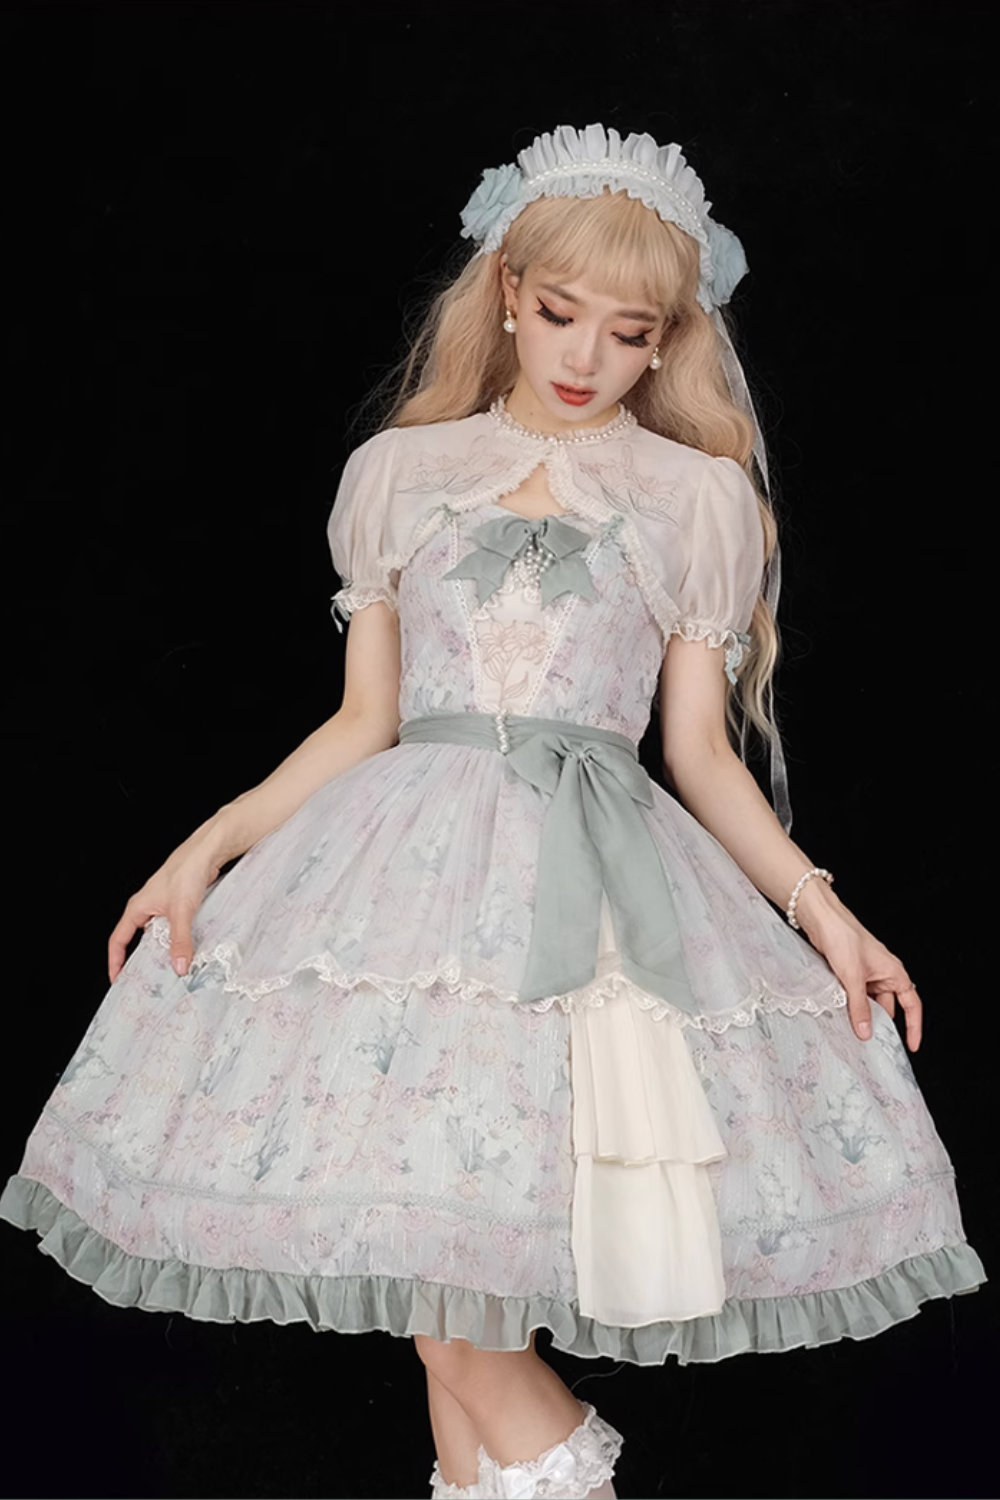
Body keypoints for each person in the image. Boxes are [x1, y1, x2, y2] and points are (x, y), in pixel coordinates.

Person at [0, 125, 986, 1500]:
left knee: (466, 1306)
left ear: (666, 343)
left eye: (628, 332)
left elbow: (700, 757)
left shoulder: (698, 500)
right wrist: (202, 852)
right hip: (401, 879)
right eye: (562, 311)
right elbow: (366, 718)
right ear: (509, 292)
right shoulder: (402, 474)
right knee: (440, 1295)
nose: (586, 356)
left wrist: (829, 917)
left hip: (597, 888)